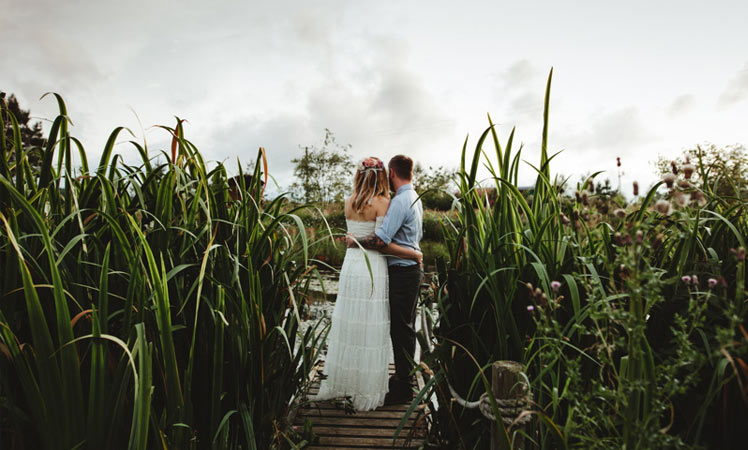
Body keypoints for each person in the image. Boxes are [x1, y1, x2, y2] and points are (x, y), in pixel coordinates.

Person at [313, 157, 422, 411]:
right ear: (383, 175)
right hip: (373, 266)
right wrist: (414, 253)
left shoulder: (348, 202)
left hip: (352, 267)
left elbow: (371, 237)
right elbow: (382, 242)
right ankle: (374, 383)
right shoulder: (388, 201)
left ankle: (348, 381)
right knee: (373, 325)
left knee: (352, 321)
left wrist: (354, 241)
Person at [347, 155, 423, 404]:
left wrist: (354, 240)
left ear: (391, 172)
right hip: (407, 270)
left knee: (401, 330)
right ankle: (403, 379)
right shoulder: (412, 196)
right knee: (404, 328)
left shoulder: (400, 201)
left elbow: (380, 242)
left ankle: (403, 387)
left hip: (403, 270)